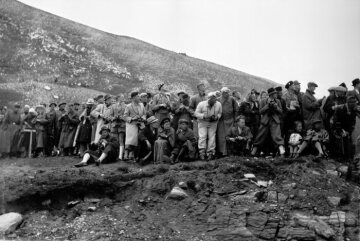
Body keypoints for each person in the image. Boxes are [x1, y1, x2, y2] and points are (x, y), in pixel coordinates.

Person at [251, 88, 285, 157]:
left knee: (277, 136)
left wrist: (276, 107)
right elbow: (260, 111)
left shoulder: (278, 101)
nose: (276, 94)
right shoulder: (263, 101)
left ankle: (282, 152)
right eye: (275, 93)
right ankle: (253, 152)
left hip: (275, 120)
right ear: (271, 95)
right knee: (260, 136)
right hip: (265, 120)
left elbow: (281, 111)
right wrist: (267, 106)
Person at [195, 92, 222, 160]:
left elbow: (220, 113)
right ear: (208, 99)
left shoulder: (218, 104)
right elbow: (196, 113)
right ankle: (202, 153)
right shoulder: (201, 104)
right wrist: (203, 116)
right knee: (202, 136)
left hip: (213, 123)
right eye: (212, 100)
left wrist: (217, 117)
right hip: (203, 122)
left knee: (212, 137)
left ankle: (210, 153)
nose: (214, 102)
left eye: (215, 100)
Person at [124, 92, 147, 161]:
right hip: (131, 125)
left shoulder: (141, 105)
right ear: (133, 98)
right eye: (137, 96)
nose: (139, 98)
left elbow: (144, 114)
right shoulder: (128, 106)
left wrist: (143, 118)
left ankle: (132, 155)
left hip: (140, 124)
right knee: (130, 139)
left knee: (137, 140)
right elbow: (125, 116)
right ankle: (125, 154)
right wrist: (132, 119)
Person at [216, 87, 238, 157]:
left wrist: (235, 120)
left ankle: (230, 152)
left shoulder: (232, 99)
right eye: (224, 92)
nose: (226, 94)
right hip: (221, 121)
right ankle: (222, 152)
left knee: (230, 136)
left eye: (227, 92)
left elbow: (236, 110)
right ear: (222, 93)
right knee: (221, 137)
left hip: (230, 121)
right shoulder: (218, 99)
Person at [109, 95, 127, 160]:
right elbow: (110, 116)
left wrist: (122, 117)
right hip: (114, 125)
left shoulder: (126, 106)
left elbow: (126, 116)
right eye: (121, 98)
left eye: (122, 97)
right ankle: (115, 155)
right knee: (115, 140)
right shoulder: (113, 106)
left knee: (121, 140)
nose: (122, 99)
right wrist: (114, 118)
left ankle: (120, 156)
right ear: (118, 98)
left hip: (122, 125)